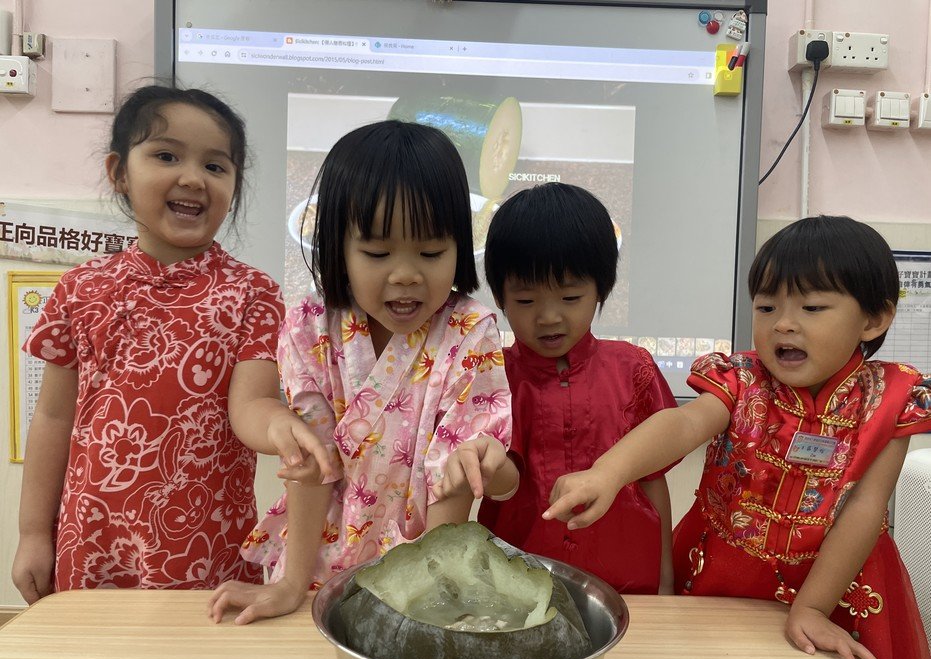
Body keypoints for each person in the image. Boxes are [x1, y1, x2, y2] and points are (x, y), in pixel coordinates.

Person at [544, 216, 931, 659]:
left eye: (812, 307)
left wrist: (813, 607)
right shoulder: (742, 379)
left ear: (874, 319)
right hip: (722, 570)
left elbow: (866, 507)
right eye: (766, 307)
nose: (782, 323)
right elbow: (684, 423)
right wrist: (608, 472)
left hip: (838, 583)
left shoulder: (893, 397)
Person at [207, 120, 518, 625]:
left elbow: (454, 479)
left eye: (431, 252)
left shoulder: (470, 330)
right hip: (318, 565)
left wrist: (431, 597)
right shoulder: (311, 325)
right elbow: (311, 464)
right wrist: (290, 584)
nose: (406, 274)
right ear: (338, 247)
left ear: (460, 247)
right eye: (377, 253)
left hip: (422, 572)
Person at [12, 86, 291, 600]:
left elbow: (253, 405)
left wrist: (290, 432)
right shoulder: (80, 288)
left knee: (200, 650)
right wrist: (32, 532)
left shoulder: (255, 293)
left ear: (235, 186)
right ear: (119, 172)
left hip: (206, 537)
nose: (193, 178)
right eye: (166, 156)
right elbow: (52, 417)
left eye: (216, 166)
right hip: (91, 534)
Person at [477, 182, 678, 594]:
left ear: (600, 289)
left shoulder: (634, 368)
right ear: (499, 297)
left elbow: (653, 479)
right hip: (517, 585)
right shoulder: (492, 376)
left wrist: (666, 580)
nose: (549, 317)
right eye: (527, 301)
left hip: (627, 581)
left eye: (570, 297)